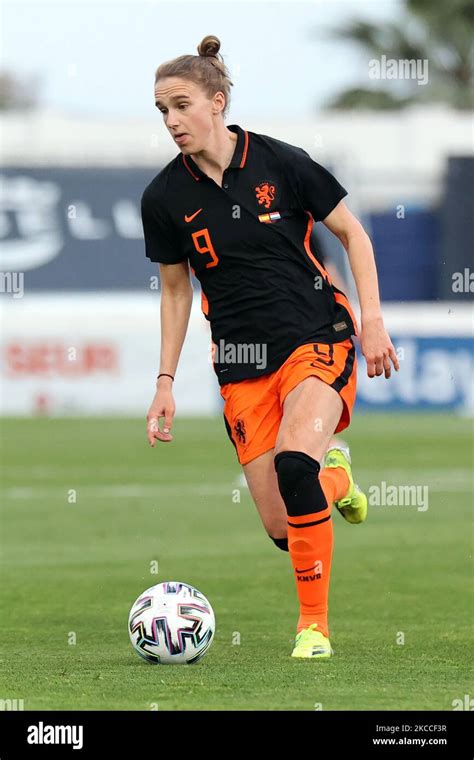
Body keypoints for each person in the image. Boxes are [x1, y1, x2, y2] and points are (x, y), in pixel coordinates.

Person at [141, 35, 399, 659]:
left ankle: (314, 629)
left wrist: (372, 321)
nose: (172, 121)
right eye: (161, 110)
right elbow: (176, 294)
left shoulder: (282, 163)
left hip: (317, 336)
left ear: (217, 101)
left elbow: (354, 233)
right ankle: (335, 475)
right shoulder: (163, 198)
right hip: (240, 365)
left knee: (293, 466)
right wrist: (166, 381)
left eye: (181, 105)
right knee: (286, 527)